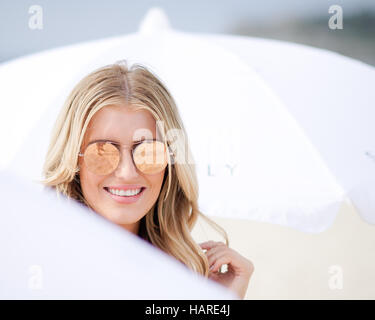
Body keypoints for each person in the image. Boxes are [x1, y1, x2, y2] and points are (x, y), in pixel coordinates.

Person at [40, 61, 254, 299]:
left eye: (149, 152)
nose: (127, 172)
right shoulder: (39, 265)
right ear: (73, 161)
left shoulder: (184, 279)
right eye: (102, 151)